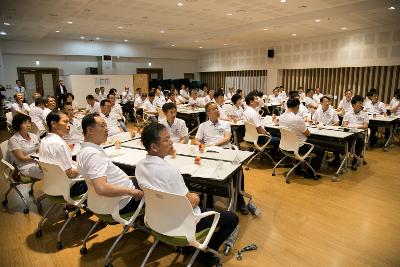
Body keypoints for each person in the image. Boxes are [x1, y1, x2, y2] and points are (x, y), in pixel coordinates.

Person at [135, 123, 239, 264]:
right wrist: (195, 196)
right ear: (154, 147)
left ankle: (190, 247)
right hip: (183, 223)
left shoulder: (140, 166)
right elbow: (192, 202)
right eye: (166, 140)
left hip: (157, 220)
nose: (171, 141)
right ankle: (204, 253)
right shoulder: (170, 171)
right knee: (232, 219)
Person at [77, 113, 143, 213]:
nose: (107, 129)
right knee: (157, 189)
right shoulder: (94, 154)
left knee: (136, 176)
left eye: (106, 126)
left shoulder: (83, 151)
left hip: (102, 202)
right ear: (90, 130)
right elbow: (101, 188)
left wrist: (125, 178)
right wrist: (132, 191)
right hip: (122, 202)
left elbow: (95, 178)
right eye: (102, 126)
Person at [39, 111, 87, 196]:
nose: (68, 125)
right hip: (69, 188)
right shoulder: (59, 144)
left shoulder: (44, 141)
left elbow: (60, 163)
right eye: (65, 121)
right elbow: (70, 173)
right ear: (53, 124)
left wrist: (76, 164)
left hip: (51, 185)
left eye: (68, 122)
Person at [279, 98, 324, 179]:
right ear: (296, 106)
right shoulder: (297, 119)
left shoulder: (281, 117)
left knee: (299, 141)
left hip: (285, 146)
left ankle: (298, 170)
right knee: (320, 150)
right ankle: (311, 173)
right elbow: (307, 133)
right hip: (297, 148)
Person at [8, 113, 43, 179]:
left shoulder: (34, 136)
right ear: (18, 125)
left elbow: (39, 149)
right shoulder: (14, 140)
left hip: (38, 162)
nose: (28, 125)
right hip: (25, 166)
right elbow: (21, 158)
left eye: (29, 122)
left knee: (52, 170)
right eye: (25, 123)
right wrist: (36, 157)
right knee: (47, 175)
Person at [342, 95, 369, 170]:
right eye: (359, 103)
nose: (361, 105)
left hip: (360, 133)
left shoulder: (364, 114)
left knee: (360, 138)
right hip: (349, 132)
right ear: (353, 105)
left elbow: (365, 126)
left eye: (361, 103)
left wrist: (354, 126)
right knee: (341, 138)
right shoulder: (348, 113)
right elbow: (344, 125)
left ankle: (355, 159)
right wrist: (356, 126)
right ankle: (338, 157)